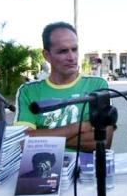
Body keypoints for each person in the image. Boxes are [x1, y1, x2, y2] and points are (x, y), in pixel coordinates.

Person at [14, 21, 114, 152]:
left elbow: (102, 141)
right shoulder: (28, 91)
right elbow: (22, 140)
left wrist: (41, 136)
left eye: (74, 49)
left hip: (86, 169)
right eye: (63, 51)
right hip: (43, 168)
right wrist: (77, 128)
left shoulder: (97, 85)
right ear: (47, 55)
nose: (72, 57)